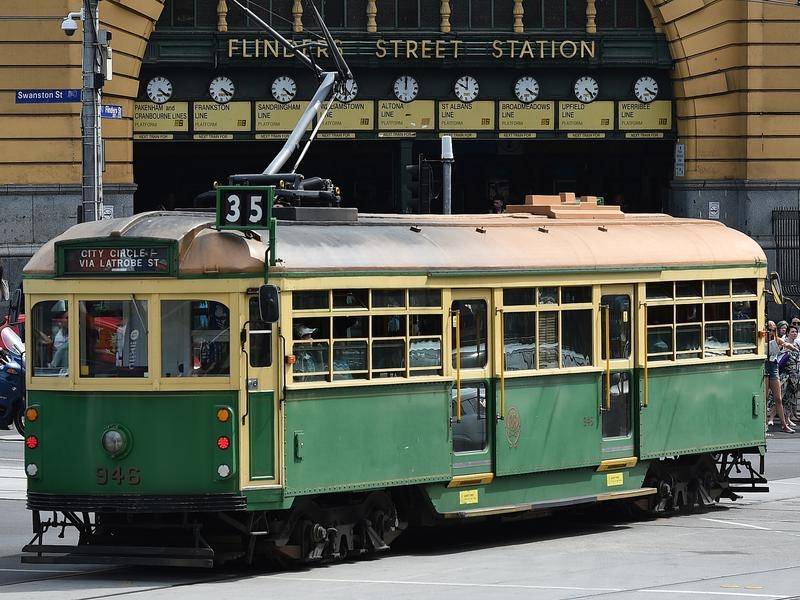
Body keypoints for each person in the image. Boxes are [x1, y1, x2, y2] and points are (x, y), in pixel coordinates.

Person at [765, 320, 795, 434]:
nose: (771, 332)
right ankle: (764, 425)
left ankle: (784, 425)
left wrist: (791, 347)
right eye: (769, 329)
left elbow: (786, 344)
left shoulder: (777, 340)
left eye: (773, 330)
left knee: (778, 398)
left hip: (773, 367)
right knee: (766, 398)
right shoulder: (761, 339)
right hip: (765, 366)